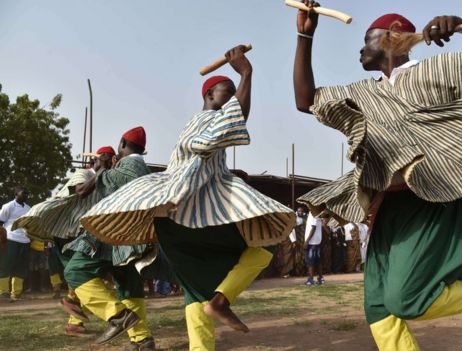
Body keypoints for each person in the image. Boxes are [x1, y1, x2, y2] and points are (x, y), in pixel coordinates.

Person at [293, 4, 462, 349]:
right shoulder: (363, 93)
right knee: (379, 308)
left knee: (406, 300)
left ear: (394, 35)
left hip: (433, 197)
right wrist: (305, 34)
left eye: (368, 39)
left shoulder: (442, 70)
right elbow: (305, 101)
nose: (361, 48)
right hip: (385, 206)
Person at [79, 46, 295, 351]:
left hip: (174, 224)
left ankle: (210, 316)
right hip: (188, 218)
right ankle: (222, 300)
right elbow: (236, 120)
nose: (233, 97)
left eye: (235, 92)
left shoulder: (203, 129)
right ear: (209, 96)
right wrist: (246, 73)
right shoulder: (204, 122)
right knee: (265, 241)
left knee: (196, 293)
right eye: (227, 91)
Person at [63, 128, 155, 349]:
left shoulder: (127, 168)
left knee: (75, 271)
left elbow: (83, 192)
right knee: (129, 286)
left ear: (123, 144)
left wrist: (102, 170)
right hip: (136, 237)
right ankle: (142, 340)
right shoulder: (143, 168)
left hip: (112, 234)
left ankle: (117, 315)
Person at [13, 146, 116, 336]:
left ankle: (74, 321)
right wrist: (100, 171)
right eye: (107, 160)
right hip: (64, 234)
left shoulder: (104, 180)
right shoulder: (84, 173)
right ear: (99, 160)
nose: (110, 164)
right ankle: (76, 313)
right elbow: (80, 191)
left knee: (83, 275)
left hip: (80, 233)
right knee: (81, 274)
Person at [0, 186, 31, 302]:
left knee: (21, 268)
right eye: (24, 193)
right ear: (16, 194)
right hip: (11, 239)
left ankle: (16, 294)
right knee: (5, 265)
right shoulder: (8, 206)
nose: (26, 196)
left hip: (25, 241)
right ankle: (3, 293)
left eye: (27, 194)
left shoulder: (29, 208)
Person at [305, 213, 325, 284]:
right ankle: (320, 278)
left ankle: (310, 279)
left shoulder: (313, 213)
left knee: (310, 261)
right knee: (318, 261)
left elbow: (313, 227)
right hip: (317, 241)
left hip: (312, 241)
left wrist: (307, 241)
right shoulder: (319, 213)